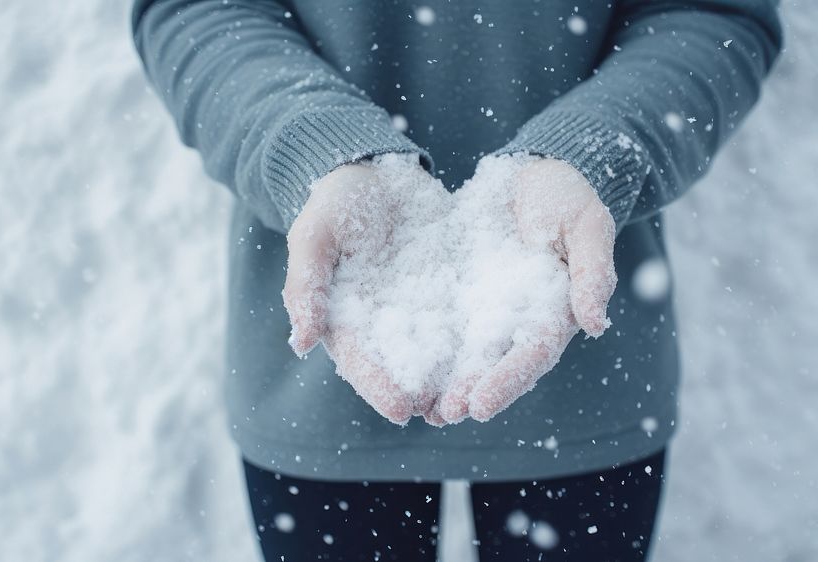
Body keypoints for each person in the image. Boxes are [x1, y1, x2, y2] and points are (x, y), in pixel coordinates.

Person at [131, 1, 781, 560]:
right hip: (331, 349)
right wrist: (314, 146)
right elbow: (194, 11)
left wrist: (592, 151)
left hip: (580, 357)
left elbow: (713, 14)